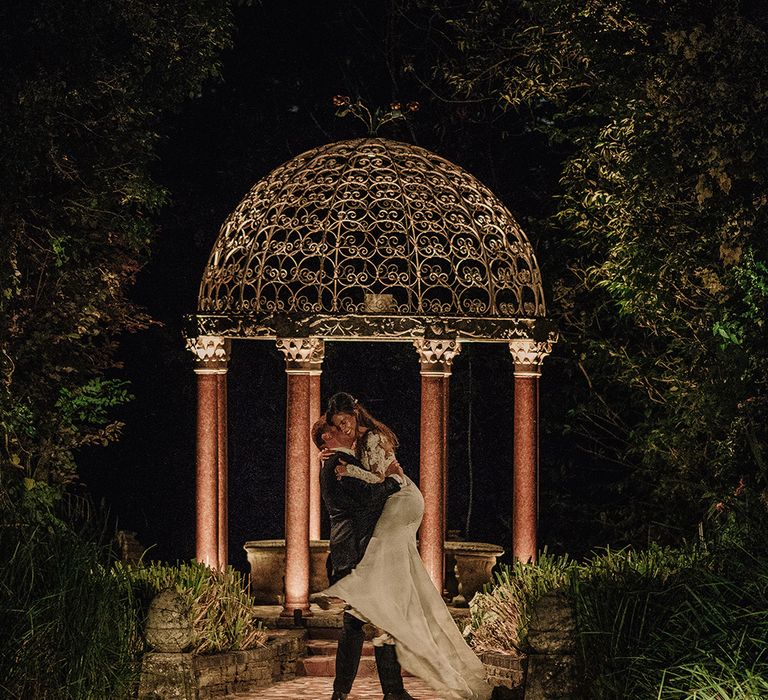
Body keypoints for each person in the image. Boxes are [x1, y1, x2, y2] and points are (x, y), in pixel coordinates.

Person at [321, 392, 493, 700]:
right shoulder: (348, 451)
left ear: (354, 414)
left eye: (344, 421)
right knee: (384, 602)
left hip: (400, 501)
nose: (343, 428)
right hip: (399, 502)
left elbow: (377, 480)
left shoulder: (370, 439)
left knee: (369, 599)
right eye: (337, 425)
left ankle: (372, 690)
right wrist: (339, 458)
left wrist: (349, 469)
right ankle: (391, 691)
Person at [312, 418, 413, 700]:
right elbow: (369, 498)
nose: (343, 431)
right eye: (334, 430)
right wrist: (393, 479)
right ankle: (373, 691)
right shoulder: (337, 467)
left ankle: (361, 692)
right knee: (360, 624)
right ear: (326, 442)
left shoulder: (340, 464)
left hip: (356, 550)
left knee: (366, 623)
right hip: (356, 552)